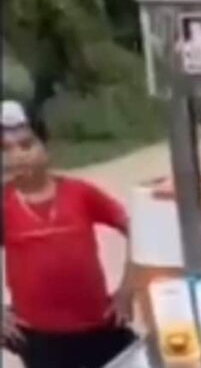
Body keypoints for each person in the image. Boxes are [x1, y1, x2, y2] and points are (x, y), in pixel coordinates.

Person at [1, 100, 136, 368]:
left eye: (27, 145)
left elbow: (136, 229)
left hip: (99, 325)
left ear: (47, 147)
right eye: (5, 150)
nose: (17, 155)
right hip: (40, 338)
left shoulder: (80, 193)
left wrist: (126, 290)